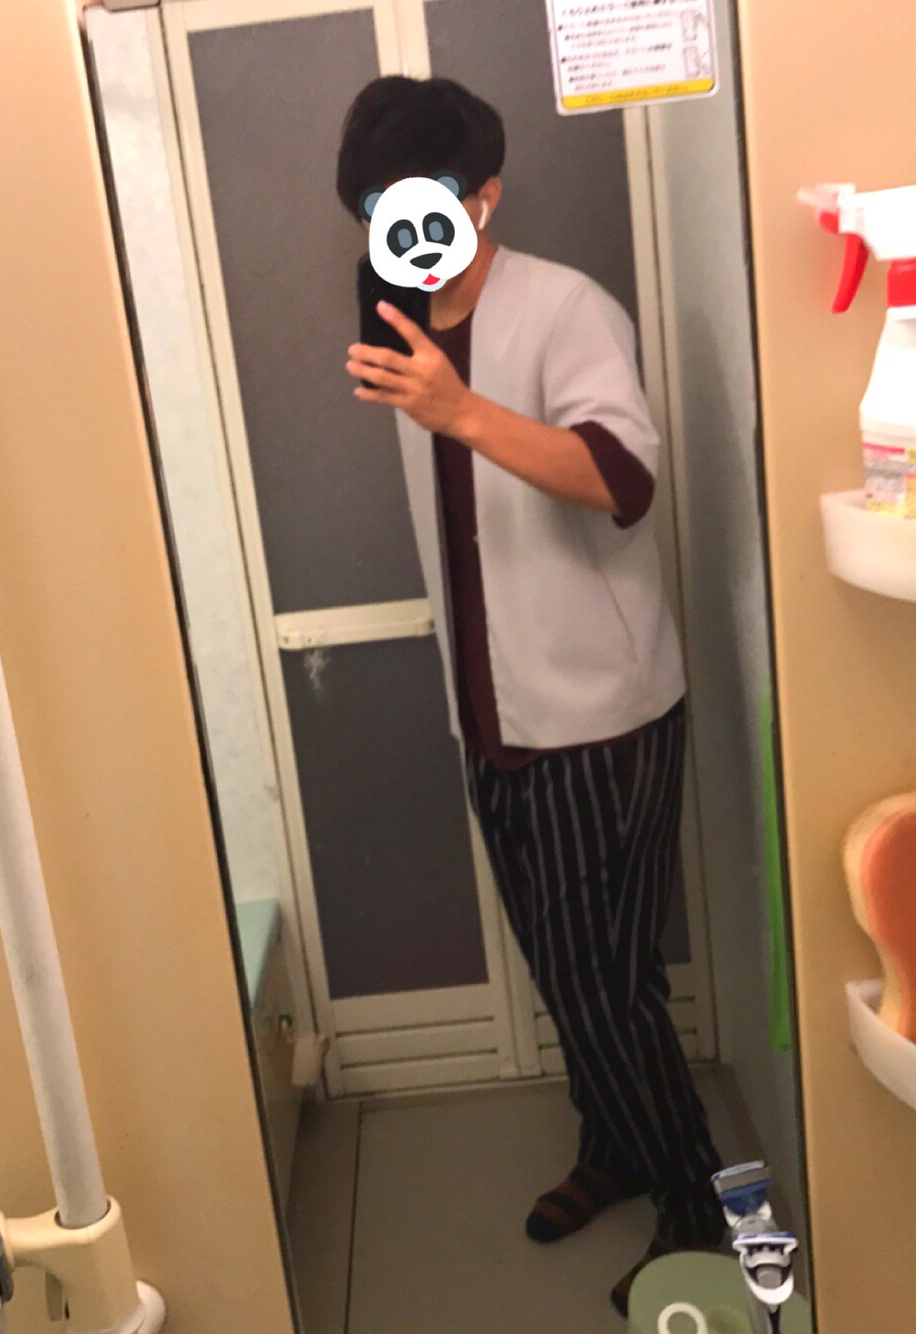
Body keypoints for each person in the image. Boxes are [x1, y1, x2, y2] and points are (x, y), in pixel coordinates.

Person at [337, 76, 725, 1315]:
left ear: (484, 196)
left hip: (599, 716)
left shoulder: (566, 308)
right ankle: (615, 1145)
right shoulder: (406, 326)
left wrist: (462, 411)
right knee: (575, 978)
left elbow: (623, 479)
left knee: (606, 986)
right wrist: (438, 392)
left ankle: (702, 1212)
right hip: (494, 716)